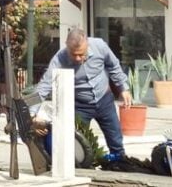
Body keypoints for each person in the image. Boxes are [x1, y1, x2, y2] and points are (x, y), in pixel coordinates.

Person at [34, 27, 131, 157]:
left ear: (87, 44)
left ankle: (120, 160)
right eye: (74, 54)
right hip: (80, 106)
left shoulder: (100, 46)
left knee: (115, 137)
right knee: (76, 143)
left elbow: (114, 66)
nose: (79, 58)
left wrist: (123, 88)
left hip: (104, 100)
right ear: (67, 47)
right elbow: (44, 86)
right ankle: (81, 166)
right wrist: (31, 113)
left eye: (82, 54)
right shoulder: (59, 59)